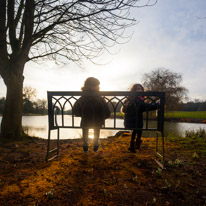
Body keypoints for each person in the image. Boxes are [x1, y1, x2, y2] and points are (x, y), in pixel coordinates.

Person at [73, 77, 111, 153]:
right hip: (97, 120)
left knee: (86, 130)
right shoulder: (100, 98)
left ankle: (86, 145)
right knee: (96, 130)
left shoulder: (83, 97)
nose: (98, 87)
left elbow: (75, 110)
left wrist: (83, 114)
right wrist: (102, 117)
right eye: (97, 85)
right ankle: (95, 144)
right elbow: (107, 112)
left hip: (86, 120)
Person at [121, 84, 158, 153]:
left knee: (137, 130)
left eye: (141, 89)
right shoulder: (136, 99)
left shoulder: (133, 98)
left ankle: (133, 146)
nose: (140, 90)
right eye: (138, 89)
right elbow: (146, 106)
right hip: (134, 120)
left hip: (134, 119)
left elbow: (144, 106)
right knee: (138, 129)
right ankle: (135, 146)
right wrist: (156, 105)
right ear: (134, 90)